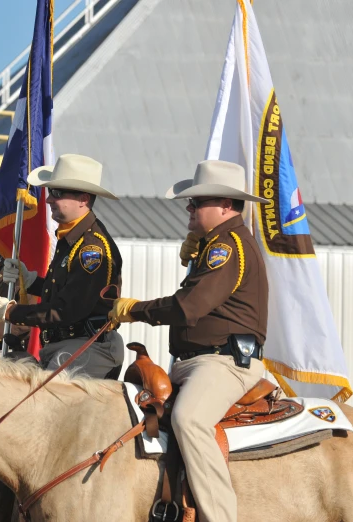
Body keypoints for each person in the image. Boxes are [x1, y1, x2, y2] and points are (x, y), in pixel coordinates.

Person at [108, 160, 270, 522]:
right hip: (196, 363)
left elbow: (188, 307)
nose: (189, 207)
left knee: (188, 419)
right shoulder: (215, 245)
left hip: (223, 363)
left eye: (198, 202)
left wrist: (135, 310)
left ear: (226, 206)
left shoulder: (227, 247)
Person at [0, 154, 124, 379]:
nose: (49, 200)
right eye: (51, 192)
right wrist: (31, 282)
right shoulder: (72, 239)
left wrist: (12, 312)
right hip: (68, 345)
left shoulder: (92, 249)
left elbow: (66, 310)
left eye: (57, 193)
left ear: (83, 199)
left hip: (90, 346)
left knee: (45, 400)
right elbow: (67, 291)